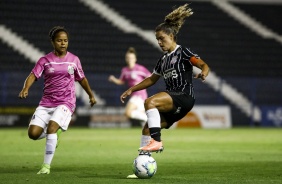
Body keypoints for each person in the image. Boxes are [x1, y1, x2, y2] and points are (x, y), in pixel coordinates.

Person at [120, 4, 210, 178]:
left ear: (171, 35)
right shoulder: (163, 60)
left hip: (184, 96)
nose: (159, 42)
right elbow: (151, 79)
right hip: (174, 103)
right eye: (157, 40)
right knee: (147, 127)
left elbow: (202, 64)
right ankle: (142, 166)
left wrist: (204, 72)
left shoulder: (183, 52)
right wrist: (132, 88)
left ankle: (157, 141)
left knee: (150, 102)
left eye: (162, 38)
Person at [18, 26, 96, 174]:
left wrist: (90, 95)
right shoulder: (45, 60)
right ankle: (54, 134)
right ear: (52, 42)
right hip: (46, 103)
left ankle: (46, 166)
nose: (63, 43)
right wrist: (25, 88)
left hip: (66, 102)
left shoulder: (74, 60)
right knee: (33, 134)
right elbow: (33, 75)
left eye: (65, 41)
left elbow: (82, 79)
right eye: (59, 40)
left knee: (52, 127)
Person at [108, 47, 151, 127]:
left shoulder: (141, 69)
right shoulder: (125, 70)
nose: (130, 59)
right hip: (134, 95)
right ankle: (148, 132)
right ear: (126, 59)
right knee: (143, 123)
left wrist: (143, 84)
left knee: (128, 112)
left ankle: (148, 119)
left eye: (131, 58)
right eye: (128, 58)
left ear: (135, 59)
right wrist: (113, 79)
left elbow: (150, 77)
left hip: (140, 95)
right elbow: (121, 81)